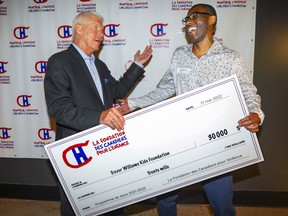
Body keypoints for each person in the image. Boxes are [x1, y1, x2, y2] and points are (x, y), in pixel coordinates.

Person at [120, 3, 264, 216]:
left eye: (195, 16)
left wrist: (256, 114)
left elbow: (248, 91)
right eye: (186, 18)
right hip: (181, 139)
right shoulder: (180, 55)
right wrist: (132, 103)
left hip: (216, 142)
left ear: (212, 20)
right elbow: (165, 88)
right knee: (165, 197)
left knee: (222, 205)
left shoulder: (230, 58)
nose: (188, 21)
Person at [43, 11, 152, 216]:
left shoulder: (99, 65)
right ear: (79, 29)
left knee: (111, 202)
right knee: (79, 207)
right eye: (96, 28)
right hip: (77, 152)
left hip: (105, 147)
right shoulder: (59, 61)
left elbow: (117, 91)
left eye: (102, 30)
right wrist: (98, 117)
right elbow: (59, 109)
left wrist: (137, 65)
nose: (102, 34)